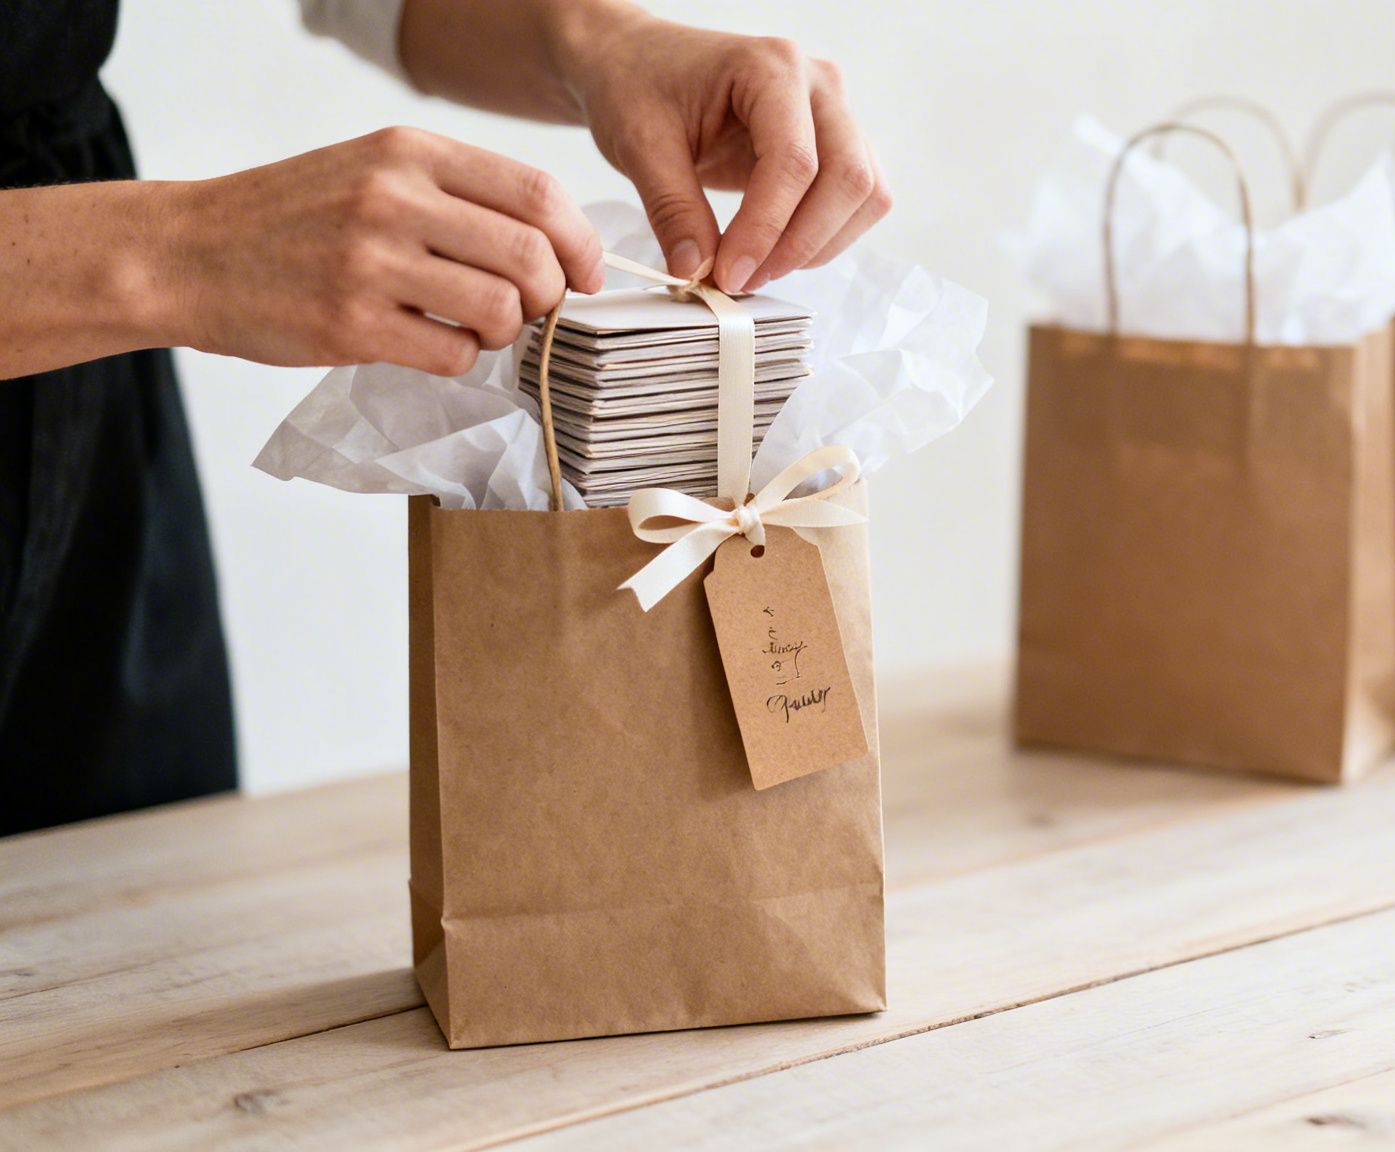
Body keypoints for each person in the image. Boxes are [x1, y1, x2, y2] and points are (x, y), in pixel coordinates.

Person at [0, 0, 890, 834]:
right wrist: (173, 253)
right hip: (84, 302)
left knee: (147, 923)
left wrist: (597, 39)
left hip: (90, 448)